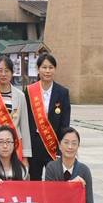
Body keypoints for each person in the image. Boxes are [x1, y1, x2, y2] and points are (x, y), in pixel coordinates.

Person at [25, 53, 71, 181]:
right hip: (34, 144)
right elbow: (26, 120)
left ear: (55, 69)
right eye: (44, 67)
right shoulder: (29, 91)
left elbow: (65, 123)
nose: (47, 71)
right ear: (38, 69)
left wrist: (61, 148)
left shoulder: (62, 92)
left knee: (55, 180)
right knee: (34, 180)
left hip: (53, 144)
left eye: (51, 67)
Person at [0, 55, 32, 162]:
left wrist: (25, 156)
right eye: (0, 70)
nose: (3, 74)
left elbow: (24, 126)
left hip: (15, 144)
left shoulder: (20, 96)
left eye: (6, 71)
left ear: (12, 73)